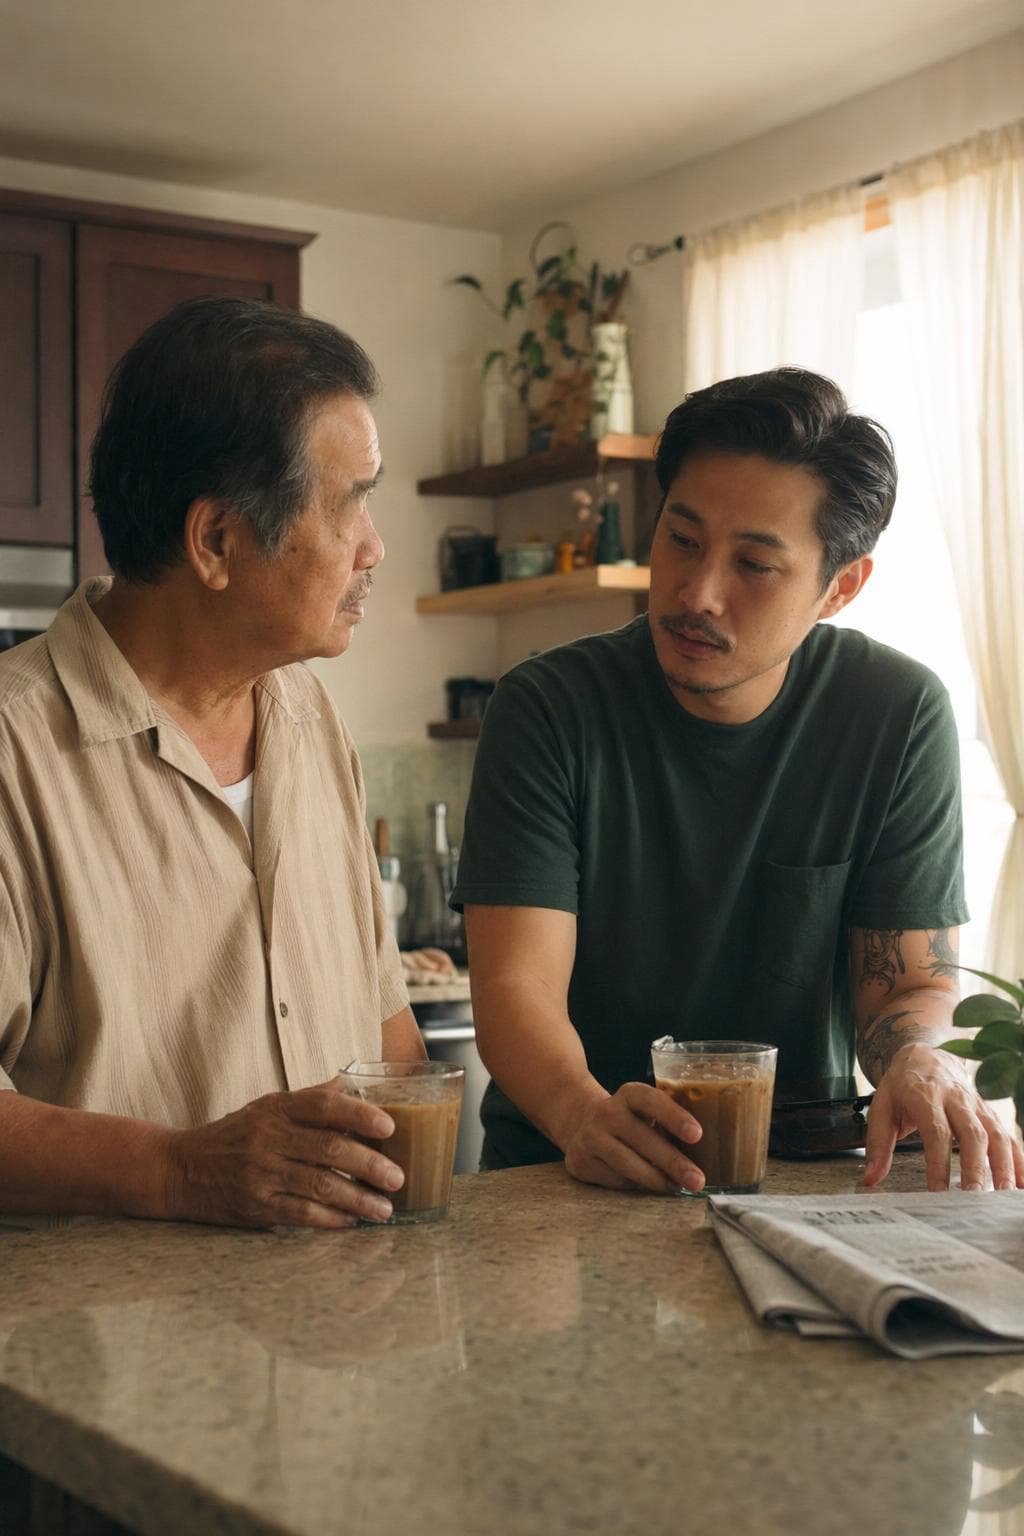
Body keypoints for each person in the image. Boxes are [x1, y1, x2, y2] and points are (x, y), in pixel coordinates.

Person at [454, 367, 1024, 1197]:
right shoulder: (548, 707)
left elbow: (906, 984)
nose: (697, 594)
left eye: (754, 564)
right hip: (562, 1172)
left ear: (840, 587)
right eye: (681, 540)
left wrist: (920, 1058)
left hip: (797, 1179)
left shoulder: (896, 713)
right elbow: (517, 988)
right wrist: (581, 1115)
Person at [0, 297, 424, 1229]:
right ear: (217, 542)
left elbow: (385, 1025)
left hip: (342, 1309)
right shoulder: (12, 750)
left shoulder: (311, 718)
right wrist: (176, 1171)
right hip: (100, 1322)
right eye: (349, 503)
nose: (374, 546)